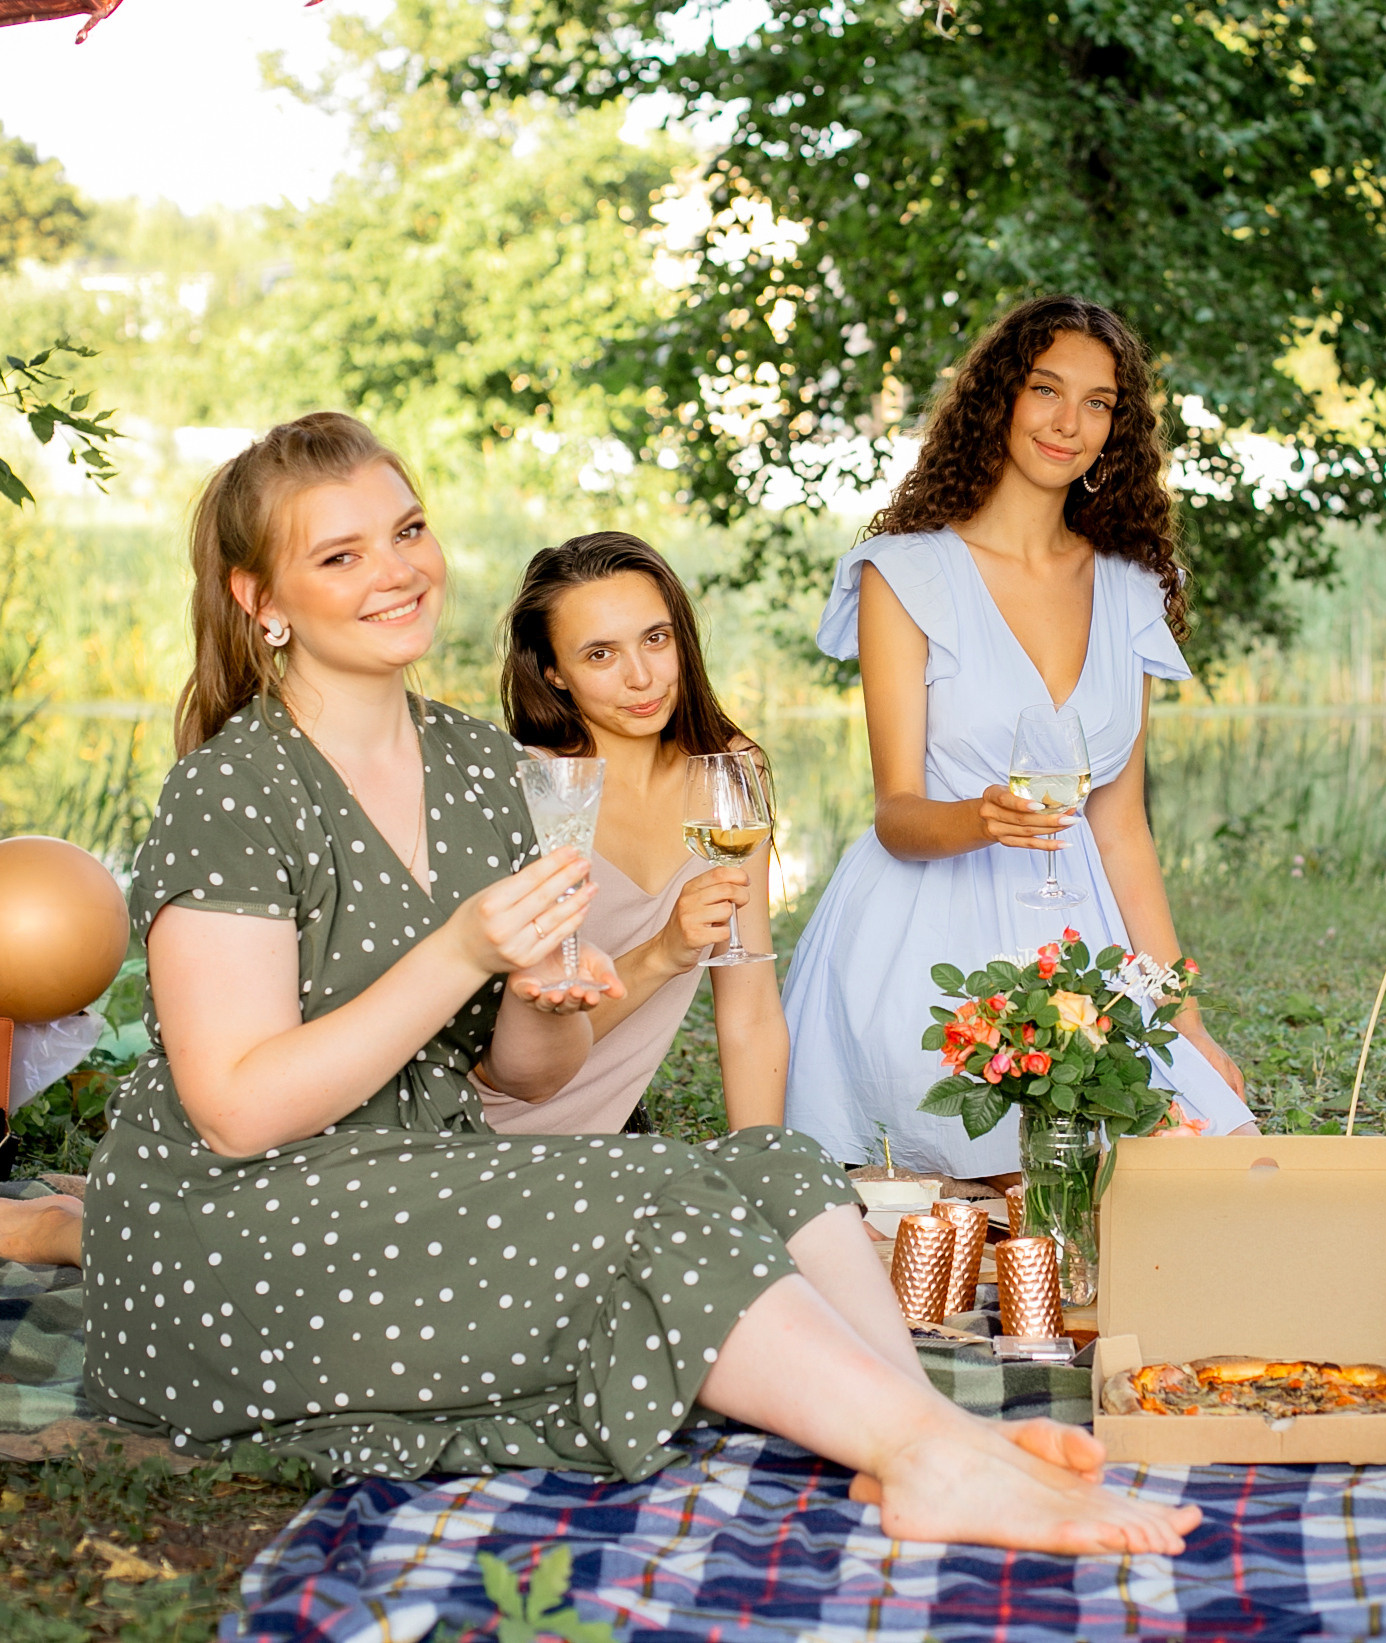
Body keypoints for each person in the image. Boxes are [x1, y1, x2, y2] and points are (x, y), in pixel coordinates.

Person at [82, 412, 1198, 1556]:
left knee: (769, 1161)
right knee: (645, 1186)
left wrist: (539, 994)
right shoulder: (233, 791)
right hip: (244, 1236)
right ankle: (928, 1455)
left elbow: (521, 1068)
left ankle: (917, 1429)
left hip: (427, 1169)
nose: (398, 570)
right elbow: (235, 1107)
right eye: (342, 554)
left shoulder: (475, 765)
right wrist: (466, 951)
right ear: (258, 597)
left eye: (407, 530)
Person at [779, 295, 1255, 1179]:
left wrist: (1185, 1021)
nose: (1068, 423)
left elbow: (1121, 829)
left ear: (1119, 428)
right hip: (925, 938)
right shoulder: (906, 573)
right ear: (999, 398)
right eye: (1046, 389)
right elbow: (896, 814)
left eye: (1099, 402)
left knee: (1215, 1161)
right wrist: (982, 817)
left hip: (1082, 938)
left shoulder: (1130, 583)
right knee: (1001, 1187)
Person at [491, 533, 785, 1135]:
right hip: (491, 1132)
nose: (642, 677)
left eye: (656, 639)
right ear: (554, 673)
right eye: (600, 654)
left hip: (613, 1135)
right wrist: (663, 954)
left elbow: (750, 1010)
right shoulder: (526, 789)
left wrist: (764, 1165)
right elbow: (504, 1062)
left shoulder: (729, 773)